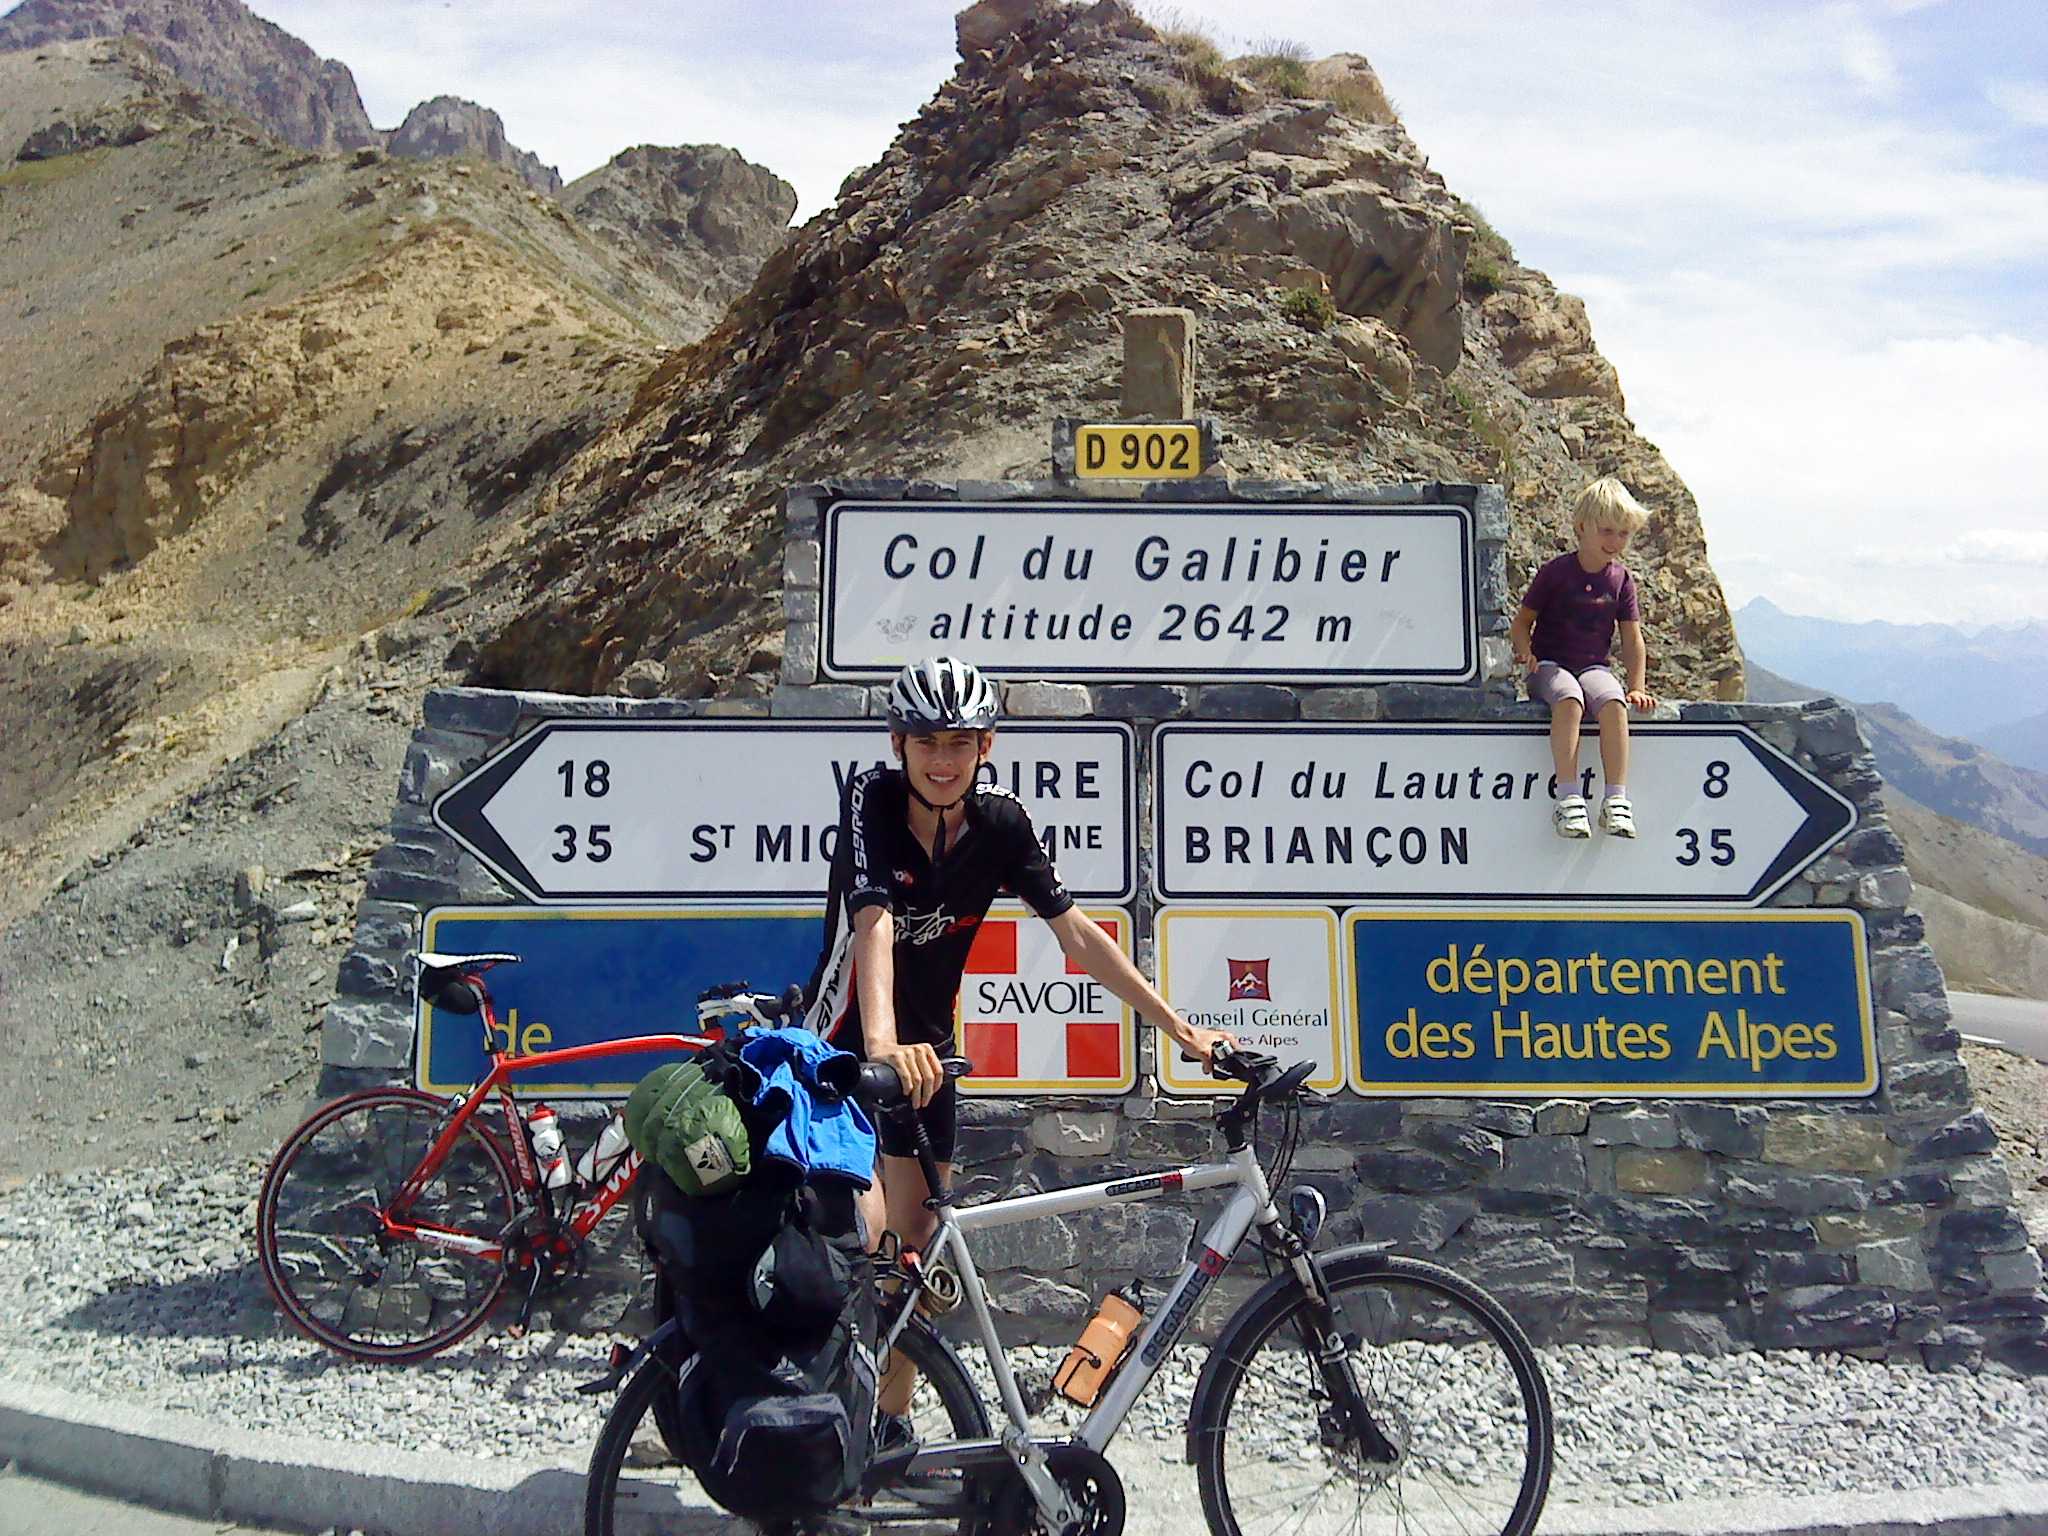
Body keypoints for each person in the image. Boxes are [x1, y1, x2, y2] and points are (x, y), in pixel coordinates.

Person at [801, 655, 1237, 1433]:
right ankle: (798, 1411)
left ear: (986, 746)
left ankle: (886, 1431)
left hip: (927, 1057)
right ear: (898, 744)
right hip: (844, 1048)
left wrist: (1178, 1026)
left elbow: (1077, 935)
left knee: (915, 1255)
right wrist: (881, 1046)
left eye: (959, 743)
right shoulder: (871, 797)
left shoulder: (1001, 825)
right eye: (926, 742)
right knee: (856, 1240)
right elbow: (874, 923)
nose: (942, 760)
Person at [1509, 476, 1657, 840]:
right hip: (1550, 665)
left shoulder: (1621, 580)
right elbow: (1522, 622)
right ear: (1581, 527)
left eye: (1623, 533)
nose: (1615, 541)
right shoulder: (1556, 573)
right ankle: (1569, 797)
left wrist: (1637, 687)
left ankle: (1615, 799)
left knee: (1614, 702)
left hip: (1593, 666)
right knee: (1569, 698)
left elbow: (1631, 638)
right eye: (1607, 531)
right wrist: (1526, 653)